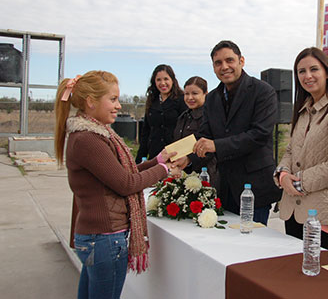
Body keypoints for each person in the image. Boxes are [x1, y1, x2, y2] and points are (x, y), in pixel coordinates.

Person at [54, 70, 177, 299]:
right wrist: (164, 170)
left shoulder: (94, 134)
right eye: (113, 99)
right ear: (91, 102)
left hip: (97, 238)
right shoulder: (89, 139)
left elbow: (121, 174)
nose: (119, 106)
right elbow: (126, 183)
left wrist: (156, 161)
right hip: (104, 239)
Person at [177, 40, 282, 225]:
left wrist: (216, 145)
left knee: (253, 245)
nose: (224, 67)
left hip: (255, 189)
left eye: (229, 60)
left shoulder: (263, 92)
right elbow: (204, 135)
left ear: (241, 61)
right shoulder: (212, 99)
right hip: (225, 188)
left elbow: (259, 134)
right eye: (218, 63)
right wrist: (187, 158)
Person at [273, 47, 328, 252]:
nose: (307, 76)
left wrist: (300, 182)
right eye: (301, 71)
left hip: (322, 213)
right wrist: (283, 175)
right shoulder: (303, 110)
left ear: (327, 72)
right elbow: (290, 151)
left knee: (317, 279)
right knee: (292, 276)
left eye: (314, 69)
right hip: (293, 210)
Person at [173, 76, 219, 190]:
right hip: (184, 175)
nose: (190, 98)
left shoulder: (210, 117)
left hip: (205, 178)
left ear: (205, 94)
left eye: (195, 93)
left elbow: (210, 149)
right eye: (186, 94)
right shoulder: (183, 117)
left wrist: (189, 160)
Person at [136, 64, 186, 163]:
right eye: (159, 80)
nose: (163, 83)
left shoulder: (182, 100)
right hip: (155, 155)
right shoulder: (152, 101)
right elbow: (146, 132)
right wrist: (139, 160)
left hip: (175, 155)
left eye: (166, 79)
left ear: (172, 80)